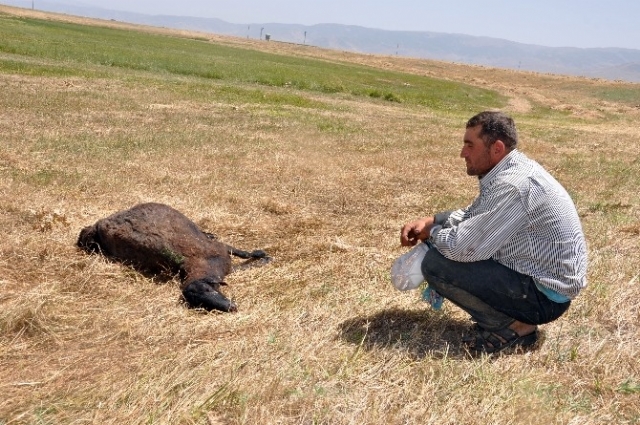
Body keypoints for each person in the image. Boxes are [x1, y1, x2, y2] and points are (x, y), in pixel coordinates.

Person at [397, 111, 588, 355]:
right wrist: (433, 220)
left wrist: (431, 233)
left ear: (496, 148)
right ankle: (514, 319)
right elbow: (475, 214)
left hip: (543, 297)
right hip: (541, 284)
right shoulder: (513, 170)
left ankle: (515, 328)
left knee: (437, 263)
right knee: (444, 248)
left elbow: (461, 247)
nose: (462, 153)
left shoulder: (513, 185)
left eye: (469, 145)